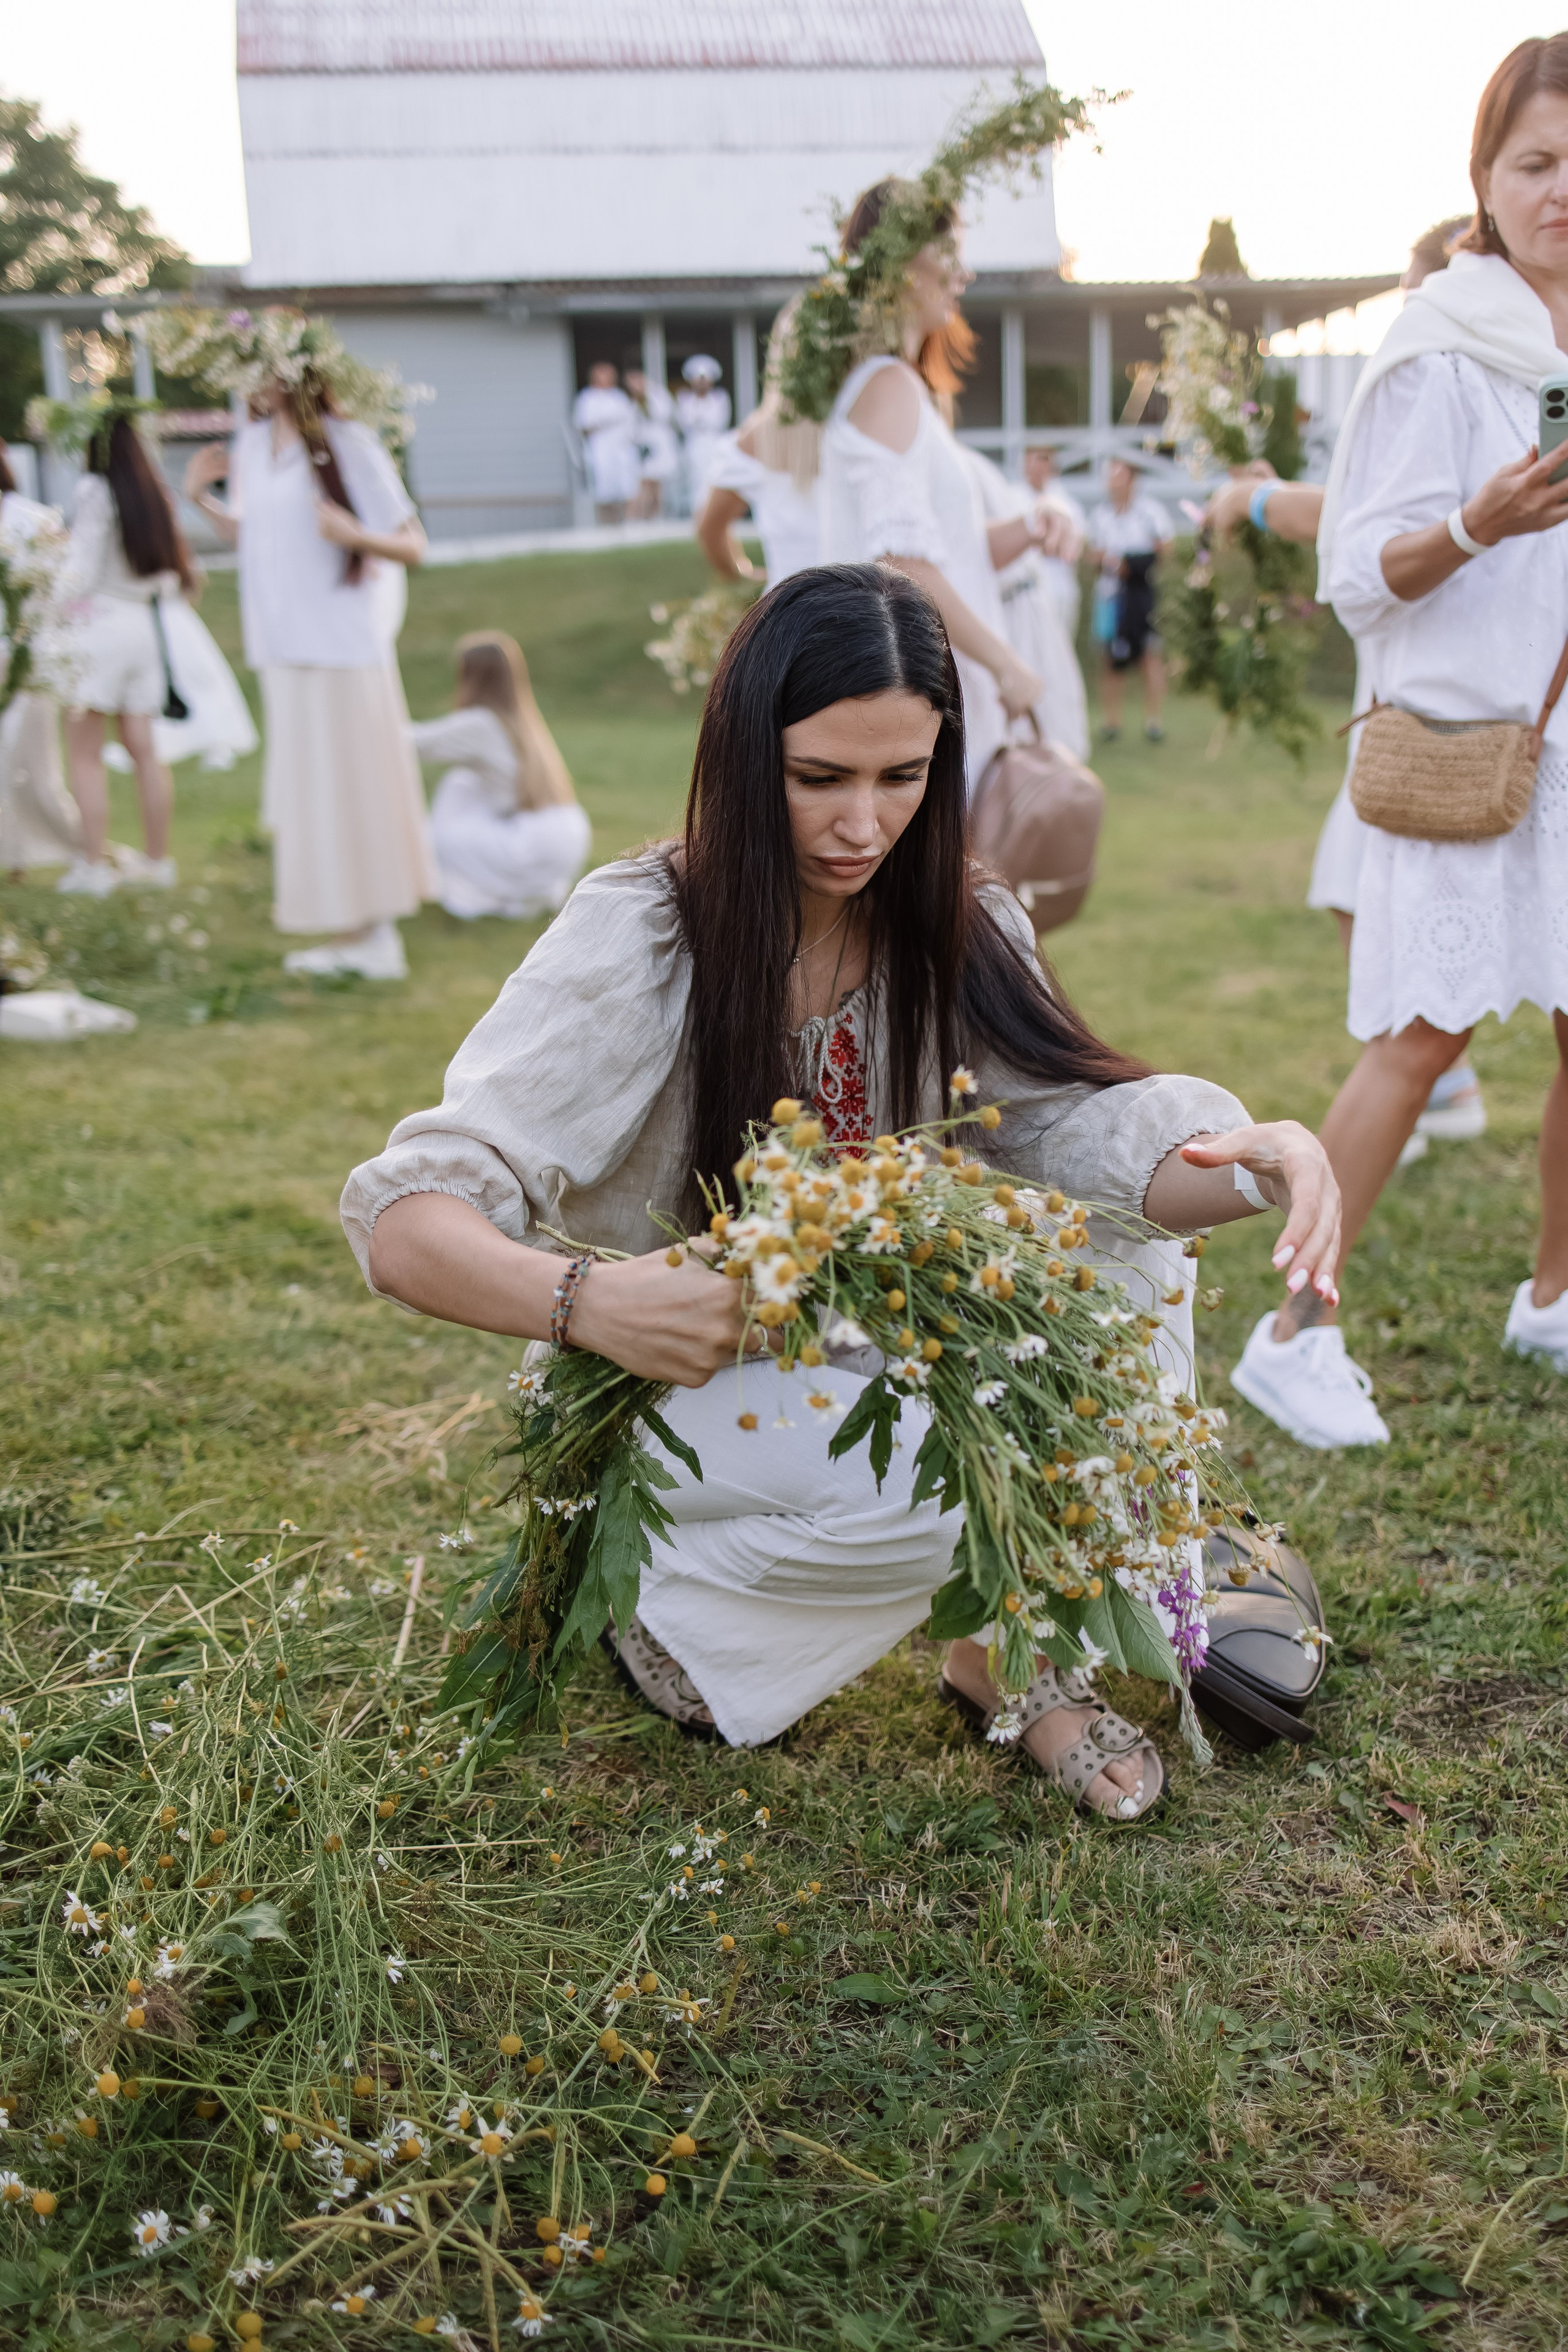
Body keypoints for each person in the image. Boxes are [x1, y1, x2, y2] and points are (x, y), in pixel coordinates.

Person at [341, 565, 1340, 1815]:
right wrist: (586, 1302)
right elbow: (405, 1213)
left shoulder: (956, 915)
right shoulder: (643, 932)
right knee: (937, 1482)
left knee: (1129, 1263)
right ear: (740, 754)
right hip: (675, 1375)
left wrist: (1250, 1152)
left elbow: (1062, 1134)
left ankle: (1007, 1658)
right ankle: (669, 1607)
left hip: (875, 1351)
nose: (863, 825)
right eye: (819, 777)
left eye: (900, 778)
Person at [1230, 34, 1568, 1443]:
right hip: (1460, 742)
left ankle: (1551, 1299)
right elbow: (1355, 572)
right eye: (1535, 163)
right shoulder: (1437, 347)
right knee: (1417, 1039)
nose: (1560, 192)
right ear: (1480, 181)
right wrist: (1476, 523)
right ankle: (1289, 1330)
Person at [185, 350, 435, 980]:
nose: (247, 383)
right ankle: (349, 931)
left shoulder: (347, 443)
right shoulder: (251, 446)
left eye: (256, 367)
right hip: (281, 645)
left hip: (342, 643)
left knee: (355, 786)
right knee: (314, 794)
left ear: (289, 371)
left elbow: (412, 543)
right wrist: (200, 499)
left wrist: (358, 539)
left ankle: (375, 934)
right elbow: (255, 538)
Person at [817, 184, 1055, 790]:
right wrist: (1004, 665)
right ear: (902, 262)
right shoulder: (888, 385)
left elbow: (948, 549)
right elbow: (901, 563)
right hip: (918, 703)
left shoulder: (900, 388)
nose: (965, 272)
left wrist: (1029, 528)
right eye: (950, 250)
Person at [57, 410, 195, 895]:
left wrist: (47, 600)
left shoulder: (95, 491)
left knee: (85, 753)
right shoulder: (153, 492)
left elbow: (80, 569)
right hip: (144, 626)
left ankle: (93, 866)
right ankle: (158, 862)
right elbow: (170, 577)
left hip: (101, 625)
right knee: (144, 750)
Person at [410, 630, 590, 921]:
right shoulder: (522, 720)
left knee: (457, 784)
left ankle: (475, 888)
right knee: (466, 781)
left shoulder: (480, 724)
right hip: (567, 835)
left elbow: (413, 744)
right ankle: (522, 893)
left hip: (529, 846)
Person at [971, 445, 1090, 761]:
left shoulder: (1061, 499)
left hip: (1043, 598)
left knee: (1056, 698)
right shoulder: (1010, 491)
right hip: (1002, 609)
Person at [695, 303, 822, 588]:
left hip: (788, 617)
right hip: (870, 615)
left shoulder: (757, 436)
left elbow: (709, 529)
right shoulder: (871, 427)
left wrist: (741, 574)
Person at [0, 445, 81, 877]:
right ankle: (11, 856)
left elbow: (63, 588)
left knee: (30, 761)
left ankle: (53, 846)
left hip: (28, 655)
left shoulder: (33, 519)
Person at [1087, 459, 1172, 744]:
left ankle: (1154, 721)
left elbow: (1164, 548)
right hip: (1110, 597)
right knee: (1110, 658)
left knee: (1150, 655)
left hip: (1140, 595)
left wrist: (1131, 564)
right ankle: (1111, 721)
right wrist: (1111, 562)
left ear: (1132, 480)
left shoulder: (1150, 513)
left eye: (1119, 476)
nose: (1113, 481)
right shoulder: (1100, 515)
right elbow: (1095, 555)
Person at [1023, 442, 1088, 641]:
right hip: (1024, 593)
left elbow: (1075, 547)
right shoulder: (1013, 497)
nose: (1038, 466)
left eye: (1044, 459)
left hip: (1060, 588)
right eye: (1034, 459)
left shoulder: (1067, 503)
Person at [572, 363, 640, 524]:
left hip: (623, 449)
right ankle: (606, 525)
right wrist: (606, 422)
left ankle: (628, 523)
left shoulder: (619, 397)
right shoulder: (587, 398)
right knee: (604, 490)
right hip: (600, 450)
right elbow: (583, 426)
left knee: (628, 487)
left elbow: (631, 422)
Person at [676, 356, 731, 513]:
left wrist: (698, 420)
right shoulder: (684, 399)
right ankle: (697, 511)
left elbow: (719, 421)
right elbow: (684, 422)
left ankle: (714, 511)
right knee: (694, 478)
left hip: (713, 442)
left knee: (714, 476)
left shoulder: (720, 398)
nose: (701, 383)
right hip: (694, 443)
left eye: (705, 379)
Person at [624, 368, 679, 520]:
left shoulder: (658, 396)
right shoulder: (633, 402)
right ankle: (636, 519)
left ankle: (653, 518)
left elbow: (664, 414)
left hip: (660, 446)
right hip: (644, 449)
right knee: (644, 483)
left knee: (656, 484)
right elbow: (630, 428)